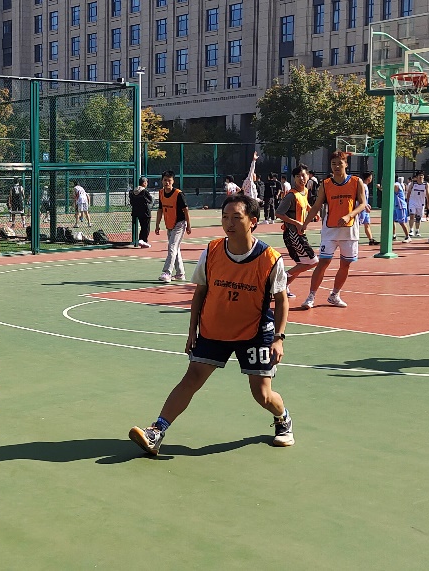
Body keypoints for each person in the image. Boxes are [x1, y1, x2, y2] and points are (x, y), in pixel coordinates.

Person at [128, 194, 294, 455]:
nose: (229, 223)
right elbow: (200, 292)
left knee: (262, 395)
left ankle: (283, 418)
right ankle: (156, 431)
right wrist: (192, 330)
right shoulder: (213, 250)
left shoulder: (270, 258)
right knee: (192, 377)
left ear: (253, 221)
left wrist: (279, 338)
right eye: (225, 217)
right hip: (214, 328)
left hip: (254, 331)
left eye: (236, 217)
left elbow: (281, 301)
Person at [299, 151, 367, 309]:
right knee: (323, 262)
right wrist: (305, 223)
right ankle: (311, 296)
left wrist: (349, 215)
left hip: (349, 231)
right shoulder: (326, 184)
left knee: (346, 264)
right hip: (330, 229)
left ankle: (334, 295)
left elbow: (363, 204)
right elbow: (316, 205)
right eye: (333, 164)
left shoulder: (356, 182)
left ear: (346, 164)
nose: (336, 166)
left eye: (339, 163)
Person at [275, 164, 317, 297]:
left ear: (308, 176)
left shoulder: (305, 192)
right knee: (313, 261)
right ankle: (283, 278)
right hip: (292, 233)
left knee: (301, 263)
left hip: (299, 233)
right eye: (298, 176)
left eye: (303, 175)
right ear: (294, 178)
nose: (301, 178)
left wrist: (313, 211)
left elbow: (305, 204)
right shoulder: (291, 196)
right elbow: (278, 213)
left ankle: (284, 287)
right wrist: (296, 223)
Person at [154, 170, 191, 282]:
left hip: (179, 224)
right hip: (169, 224)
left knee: (172, 247)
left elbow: (186, 210)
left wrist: (189, 225)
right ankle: (180, 273)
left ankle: (167, 272)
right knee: (175, 248)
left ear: (173, 181)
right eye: (165, 180)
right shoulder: (161, 193)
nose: (167, 182)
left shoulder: (178, 194)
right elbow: (160, 210)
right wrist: (157, 225)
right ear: (162, 181)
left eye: (169, 180)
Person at [129, 176, 153, 248]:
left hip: (137, 212)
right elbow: (150, 200)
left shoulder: (134, 191)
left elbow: (131, 202)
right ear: (144, 183)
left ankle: (141, 240)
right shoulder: (144, 191)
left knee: (143, 226)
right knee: (146, 227)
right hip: (145, 212)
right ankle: (143, 240)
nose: (147, 184)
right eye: (146, 182)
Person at [406, 172, 428, 237]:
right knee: (412, 215)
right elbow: (409, 192)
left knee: (418, 218)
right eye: (419, 176)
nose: (421, 177)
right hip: (412, 202)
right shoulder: (413, 183)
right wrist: (408, 201)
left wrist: (428, 204)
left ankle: (417, 230)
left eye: (422, 175)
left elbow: (427, 194)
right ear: (417, 177)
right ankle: (411, 230)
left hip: (421, 203)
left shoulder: (426, 184)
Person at [358, 171, 377, 246]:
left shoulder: (365, 186)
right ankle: (352, 238)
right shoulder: (363, 186)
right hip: (362, 209)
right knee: (357, 224)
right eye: (371, 177)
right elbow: (361, 198)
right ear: (369, 178)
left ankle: (371, 239)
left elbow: (365, 198)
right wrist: (365, 206)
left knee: (367, 224)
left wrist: (367, 204)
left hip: (365, 209)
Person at [393, 176, 411, 242]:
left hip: (400, 206)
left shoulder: (396, 185)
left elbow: (390, 189)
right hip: (395, 206)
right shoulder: (394, 185)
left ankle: (408, 237)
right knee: (392, 220)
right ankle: (394, 235)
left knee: (401, 222)